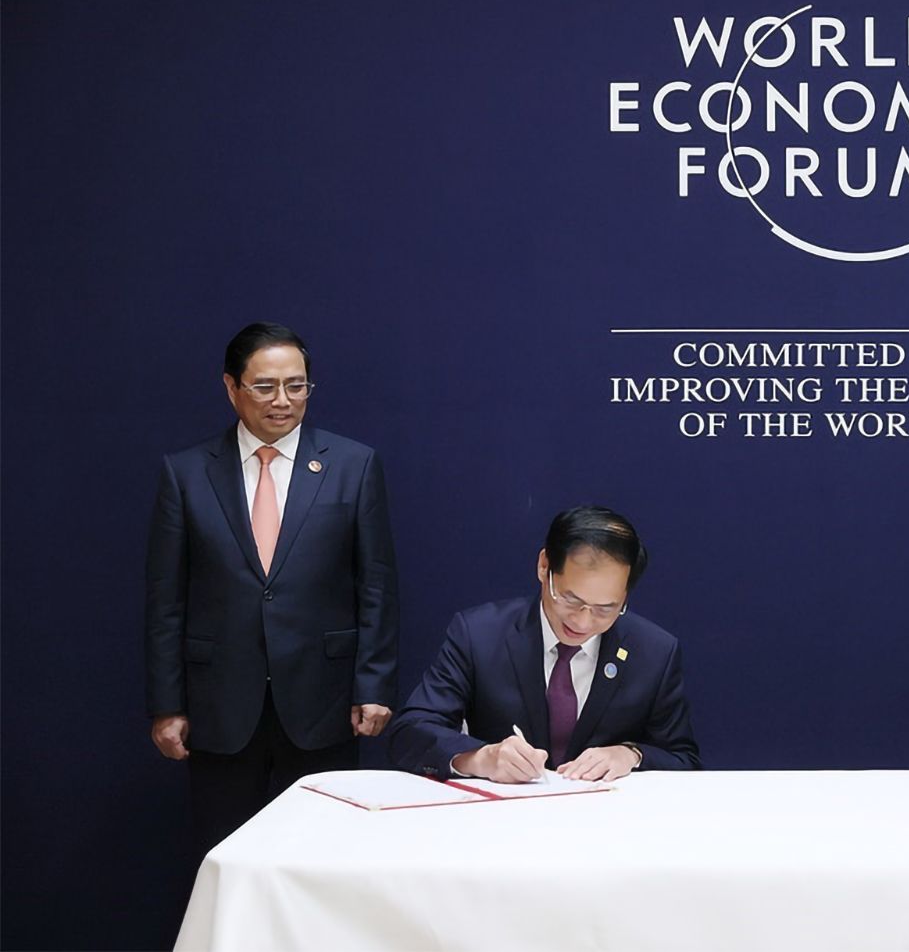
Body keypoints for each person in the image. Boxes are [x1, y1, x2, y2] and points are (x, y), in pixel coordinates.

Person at [145, 322, 399, 855]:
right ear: (231, 387)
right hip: (219, 705)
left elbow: (376, 585)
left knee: (322, 855)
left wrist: (373, 685)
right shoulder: (186, 474)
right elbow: (166, 601)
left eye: (296, 385)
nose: (283, 400)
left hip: (323, 701)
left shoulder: (353, 466)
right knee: (226, 852)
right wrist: (167, 705)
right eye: (265, 386)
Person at [389, 505, 700, 782]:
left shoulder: (654, 652)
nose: (582, 622)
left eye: (605, 609)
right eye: (570, 599)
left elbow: (683, 759)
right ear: (544, 567)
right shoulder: (479, 634)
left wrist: (631, 754)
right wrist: (480, 758)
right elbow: (410, 732)